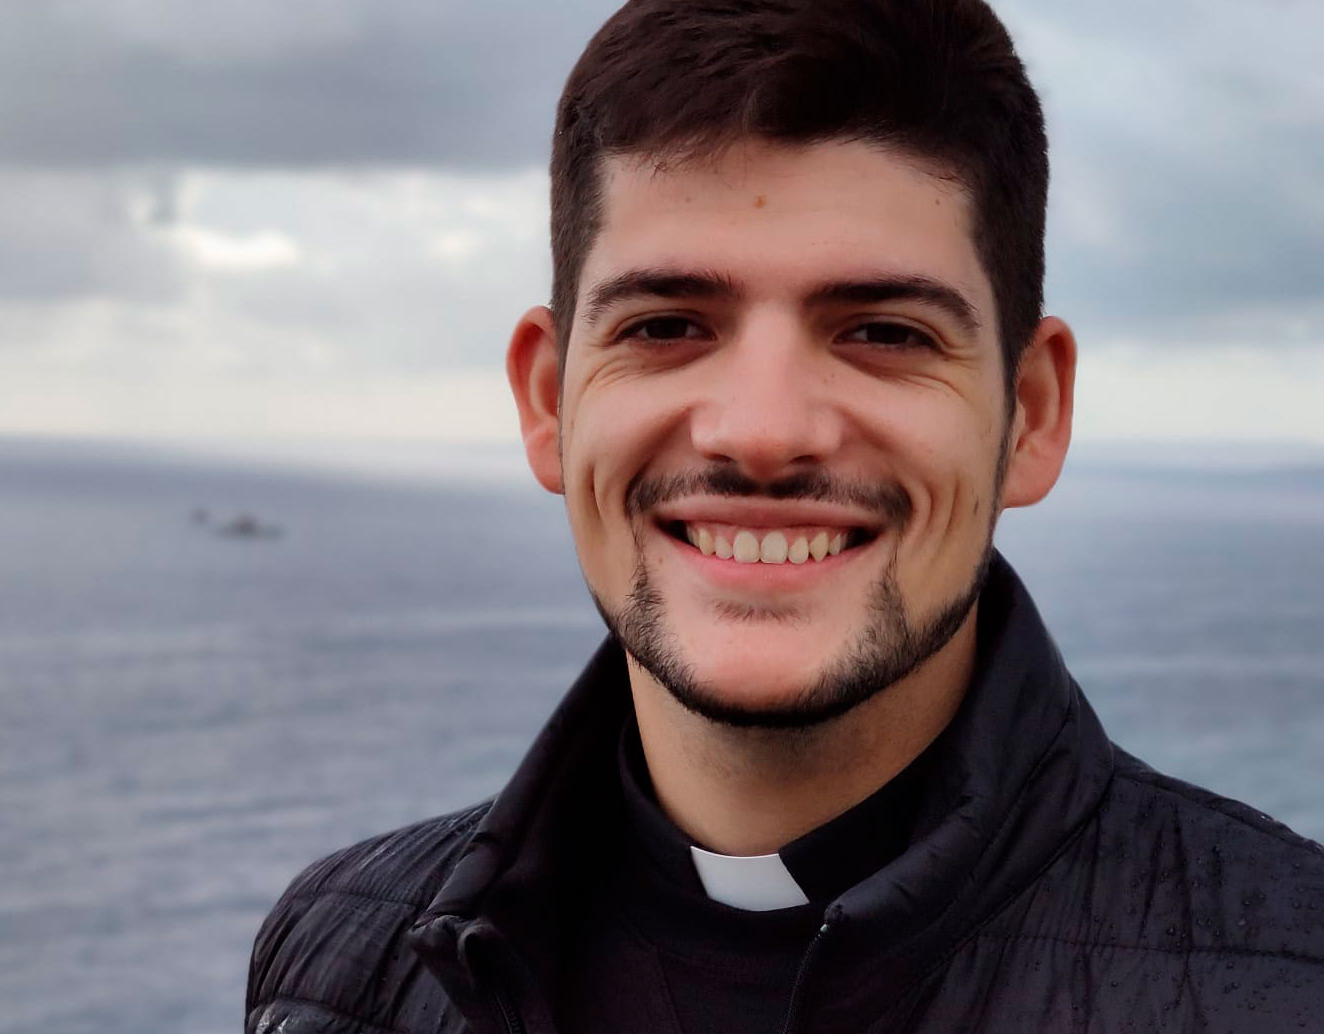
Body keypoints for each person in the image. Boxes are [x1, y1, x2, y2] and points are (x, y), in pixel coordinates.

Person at [245, 1, 1324, 1031]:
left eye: (884, 333)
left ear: (1031, 415)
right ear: (547, 403)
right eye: (667, 325)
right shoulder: (334, 971)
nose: (762, 433)